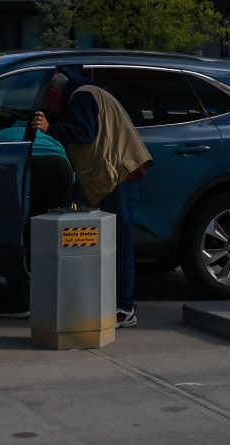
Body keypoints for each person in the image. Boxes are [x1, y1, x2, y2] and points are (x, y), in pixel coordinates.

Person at [33, 69, 150, 328]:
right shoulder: (87, 93)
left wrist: (49, 127)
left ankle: (125, 308)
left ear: (54, 93)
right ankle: (117, 303)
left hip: (120, 175)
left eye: (46, 102)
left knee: (119, 243)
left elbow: (84, 132)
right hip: (117, 175)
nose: (47, 108)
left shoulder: (82, 97)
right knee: (114, 241)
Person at [0, 107, 74, 320]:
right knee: (52, 234)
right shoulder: (46, 134)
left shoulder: (0, 136)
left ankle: (19, 299)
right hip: (59, 168)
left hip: (30, 166)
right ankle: (62, 296)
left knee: (15, 232)